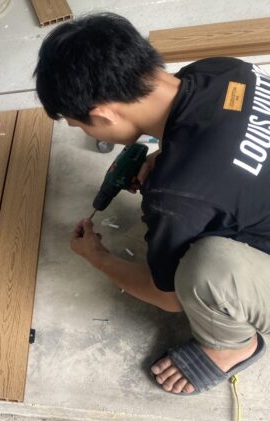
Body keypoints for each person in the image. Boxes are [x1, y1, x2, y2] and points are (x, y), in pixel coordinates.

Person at [34, 12, 270, 395]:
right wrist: (167, 159)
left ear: (103, 114)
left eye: (81, 125)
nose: (85, 130)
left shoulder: (174, 197)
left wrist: (98, 256)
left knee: (205, 272)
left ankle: (231, 347)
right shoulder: (223, 70)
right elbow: (230, 141)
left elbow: (168, 297)